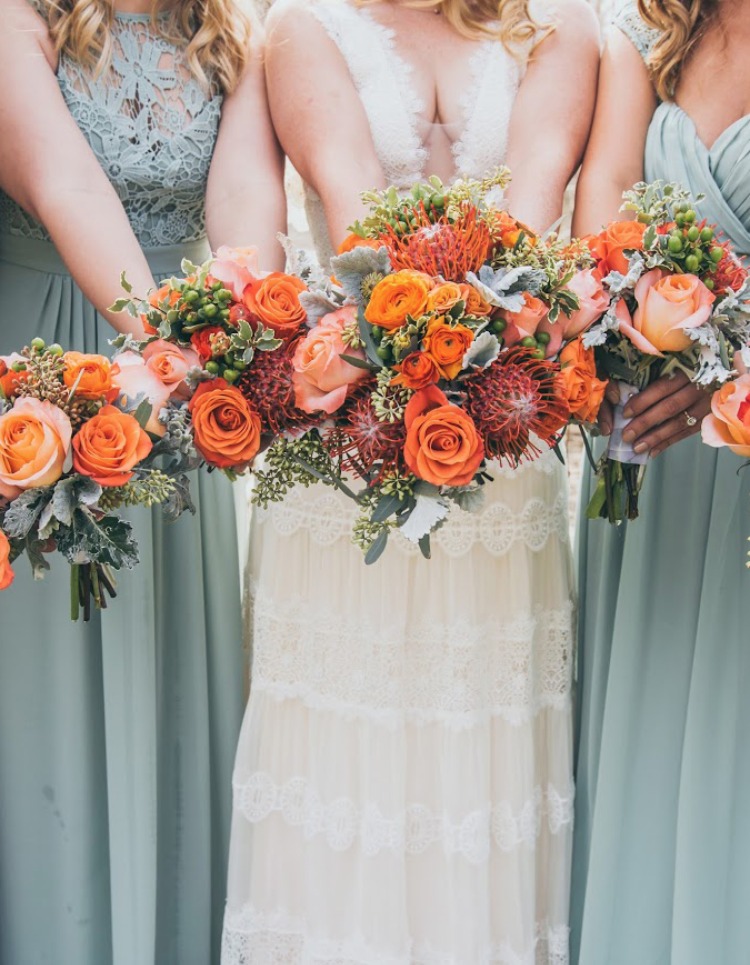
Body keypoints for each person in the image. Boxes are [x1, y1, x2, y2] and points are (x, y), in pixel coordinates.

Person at [221, 1, 599, 961]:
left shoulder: (559, 26)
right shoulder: (302, 24)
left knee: (484, 771)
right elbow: (358, 219)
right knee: (349, 775)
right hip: (347, 450)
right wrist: (446, 338)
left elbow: (533, 201)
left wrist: (487, 358)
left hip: (507, 458)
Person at [0, 0, 285, 961]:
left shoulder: (232, 30)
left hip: (177, 383)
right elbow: (63, 184)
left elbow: (245, 198)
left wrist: (228, 332)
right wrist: (162, 347)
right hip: (48, 369)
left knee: (170, 666)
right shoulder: (18, 21)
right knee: (44, 687)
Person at [571, 1, 750, 961]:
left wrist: (723, 364)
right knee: (641, 727)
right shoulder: (650, 30)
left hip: (734, 428)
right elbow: (606, 188)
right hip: (648, 438)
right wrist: (628, 320)